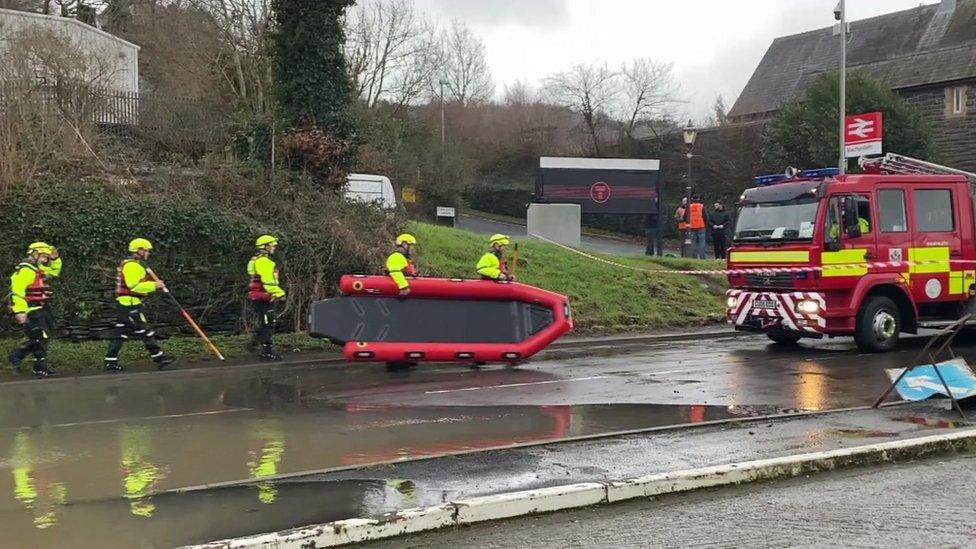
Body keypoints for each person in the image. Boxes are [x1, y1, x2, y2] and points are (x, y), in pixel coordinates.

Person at [104, 238, 174, 371]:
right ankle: (160, 360)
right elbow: (134, 286)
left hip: (129, 304)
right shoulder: (132, 266)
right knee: (145, 331)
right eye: (146, 250)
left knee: (121, 333)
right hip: (129, 304)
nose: (148, 253)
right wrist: (155, 285)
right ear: (139, 251)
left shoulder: (136, 264)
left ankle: (110, 362)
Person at [8, 242, 62, 378]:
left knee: (42, 338)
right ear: (35, 254)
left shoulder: (37, 268)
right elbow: (17, 291)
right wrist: (19, 311)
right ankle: (18, 357)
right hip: (31, 309)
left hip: (42, 307)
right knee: (39, 337)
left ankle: (37, 366)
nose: (45, 260)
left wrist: (55, 259)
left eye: (46, 258)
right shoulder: (26, 270)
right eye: (44, 257)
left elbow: (54, 272)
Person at [247, 235, 285, 361]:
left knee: (267, 323)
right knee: (268, 323)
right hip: (263, 297)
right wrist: (280, 293)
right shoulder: (264, 262)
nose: (274, 247)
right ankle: (264, 351)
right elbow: (268, 282)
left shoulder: (256, 260)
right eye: (272, 245)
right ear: (266, 246)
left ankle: (255, 345)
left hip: (260, 296)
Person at [688, 195, 708, 259]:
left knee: (693, 243)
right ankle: (702, 258)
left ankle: (694, 258)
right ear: (698, 199)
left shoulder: (689, 207)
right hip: (701, 226)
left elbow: (685, 216)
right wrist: (706, 225)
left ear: (692, 199)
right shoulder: (701, 206)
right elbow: (705, 216)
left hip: (692, 226)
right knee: (702, 243)